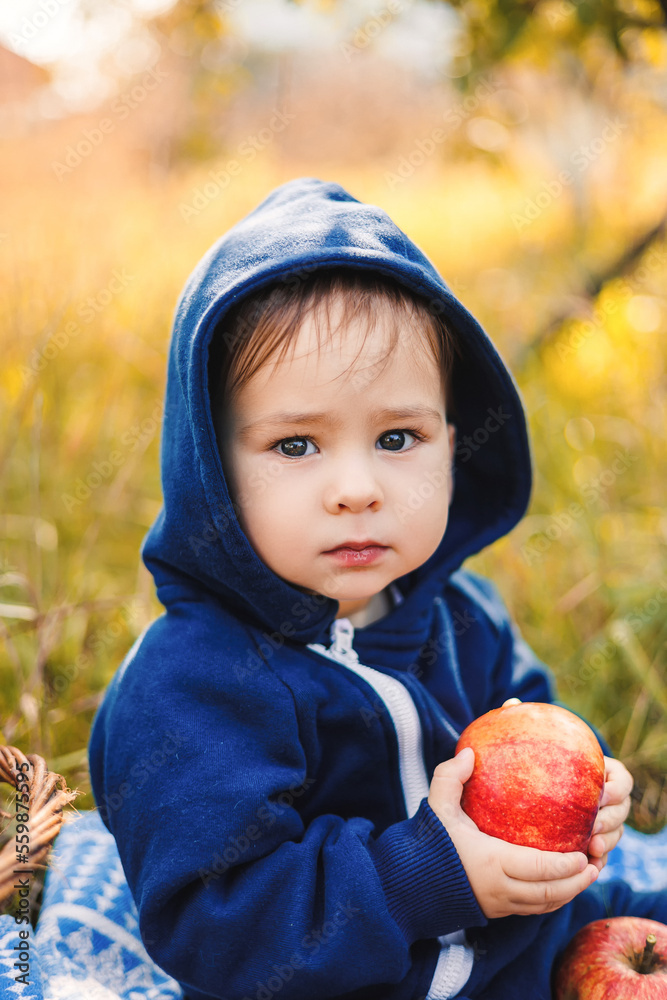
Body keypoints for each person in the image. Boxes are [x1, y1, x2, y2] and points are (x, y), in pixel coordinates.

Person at [88, 178, 666, 1000]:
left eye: (397, 437)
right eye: (295, 446)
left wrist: (590, 805)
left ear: (453, 443)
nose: (356, 488)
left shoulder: (465, 620)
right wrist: (423, 876)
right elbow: (216, 927)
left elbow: (547, 745)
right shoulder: (192, 686)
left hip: (518, 962)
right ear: (212, 469)